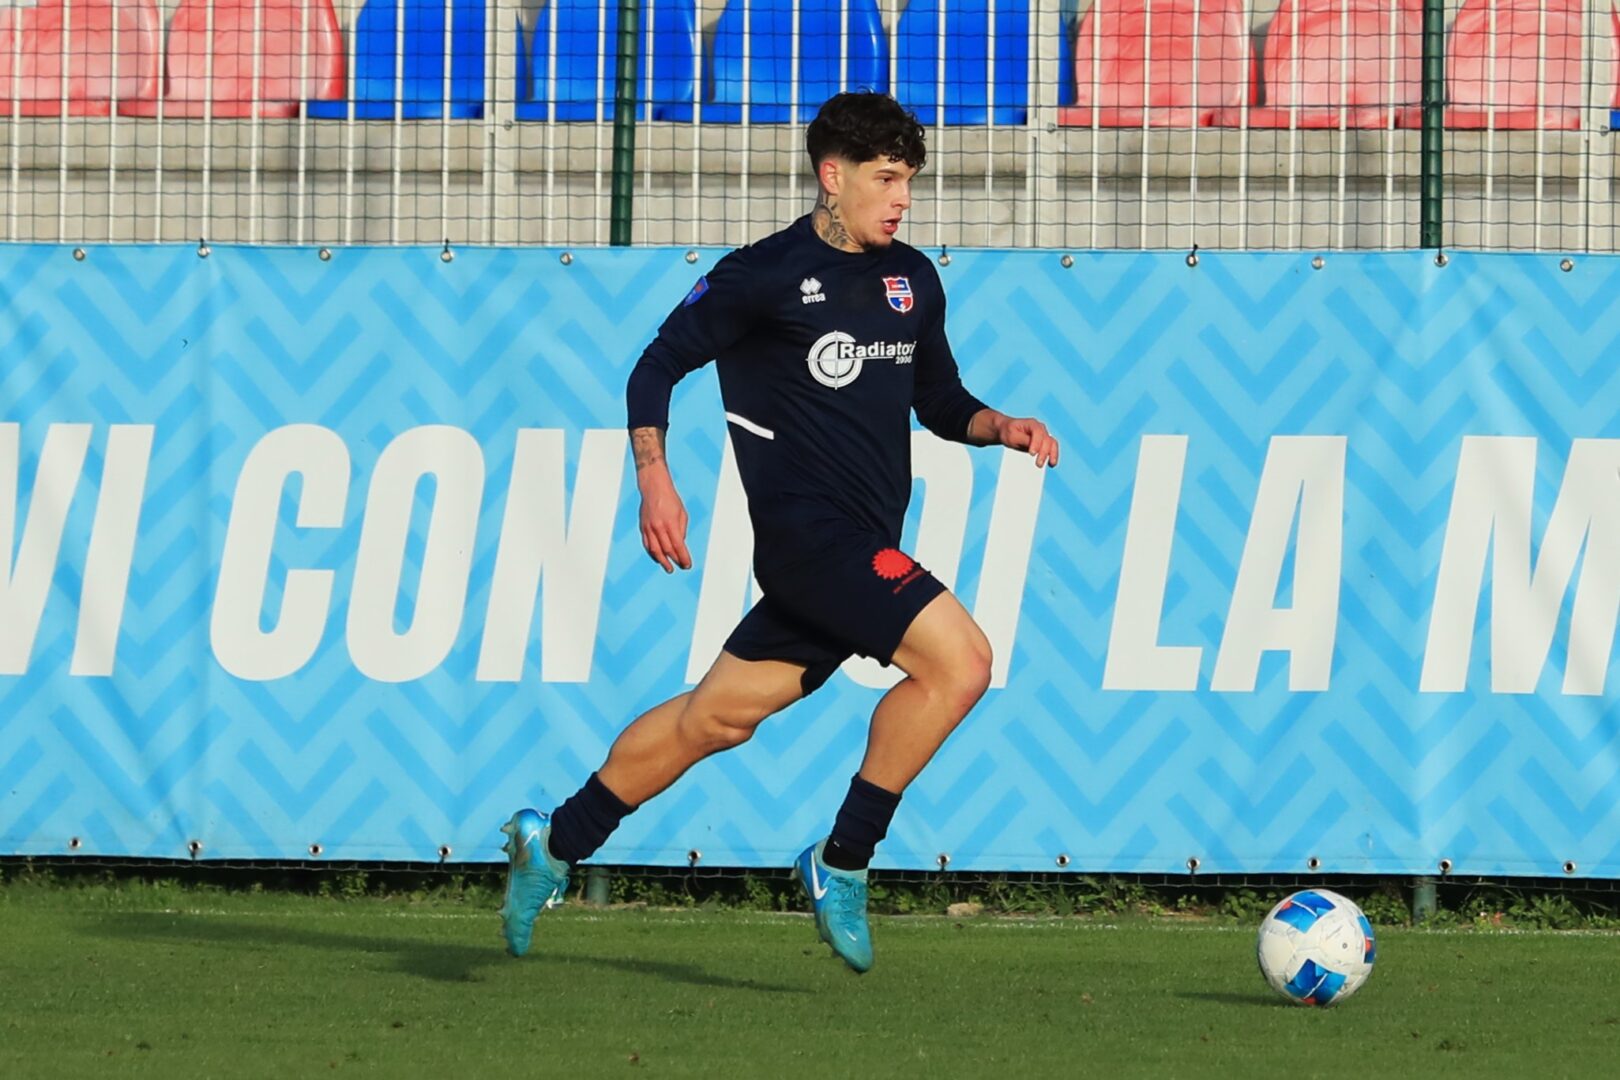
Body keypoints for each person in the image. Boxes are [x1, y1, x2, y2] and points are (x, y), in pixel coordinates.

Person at [499, 91, 1059, 973]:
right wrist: (654, 479)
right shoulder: (761, 275)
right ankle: (844, 860)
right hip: (812, 544)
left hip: (855, 545)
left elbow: (938, 399)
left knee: (713, 719)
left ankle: (555, 840)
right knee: (963, 663)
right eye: (886, 178)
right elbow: (656, 366)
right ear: (832, 177)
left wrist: (1001, 426)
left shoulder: (913, 279)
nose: (902, 198)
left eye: (908, 180)